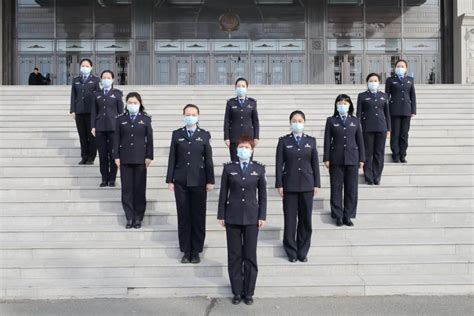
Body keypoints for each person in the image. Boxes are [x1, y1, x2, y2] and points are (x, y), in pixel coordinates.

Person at [217, 135, 266, 306]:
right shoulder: (229, 168)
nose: (243, 150)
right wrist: (221, 215)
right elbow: (223, 193)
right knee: (235, 256)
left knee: (250, 256)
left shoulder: (258, 169)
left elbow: (263, 196)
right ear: (236, 150)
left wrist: (262, 215)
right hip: (233, 216)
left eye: (247, 147)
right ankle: (237, 291)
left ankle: (249, 292)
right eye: (241, 147)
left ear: (252, 150)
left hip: (252, 218)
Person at [166, 104, 215, 264]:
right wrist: (170, 179)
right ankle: (186, 250)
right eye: (188, 114)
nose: (190, 117)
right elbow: (172, 157)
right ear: (183, 115)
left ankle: (196, 250)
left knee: (198, 216)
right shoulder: (177, 134)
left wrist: (210, 180)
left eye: (193, 114)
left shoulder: (204, 135)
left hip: (199, 180)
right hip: (180, 181)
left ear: (198, 116)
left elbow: (208, 160)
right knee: (184, 216)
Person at [275, 110, 320, 263]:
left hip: (307, 185)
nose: (297, 123)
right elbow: (279, 164)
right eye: (294, 120)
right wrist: (279, 184)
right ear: (290, 123)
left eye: (300, 120)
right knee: (290, 220)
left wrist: (317, 183)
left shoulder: (311, 141)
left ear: (304, 122)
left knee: (305, 220)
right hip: (290, 185)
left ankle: (303, 250)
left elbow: (315, 164)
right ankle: (291, 251)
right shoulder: (284, 141)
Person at [323, 94, 365, 227]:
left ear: (350, 105)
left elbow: (360, 141)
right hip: (336, 158)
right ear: (336, 105)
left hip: (353, 158)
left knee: (351, 189)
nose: (343, 105)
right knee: (336, 188)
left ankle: (348, 215)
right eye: (340, 103)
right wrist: (327, 157)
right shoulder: (331, 121)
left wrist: (362, 158)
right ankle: (338, 215)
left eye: (345, 103)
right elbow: (327, 141)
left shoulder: (355, 121)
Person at [114, 92, 154, 229]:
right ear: (126, 104)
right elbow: (116, 139)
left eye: (135, 103)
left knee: (139, 189)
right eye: (130, 102)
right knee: (127, 189)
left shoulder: (146, 119)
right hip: (125, 159)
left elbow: (149, 140)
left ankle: (138, 217)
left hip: (140, 159)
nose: (132, 105)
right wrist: (116, 156)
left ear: (140, 103)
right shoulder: (120, 119)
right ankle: (129, 217)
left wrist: (149, 156)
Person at [91, 70, 124, 187]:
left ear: (113, 79)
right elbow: (94, 112)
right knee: (103, 154)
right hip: (100, 128)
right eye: (104, 77)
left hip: (113, 128)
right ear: (101, 79)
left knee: (113, 154)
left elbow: (121, 113)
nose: (106, 79)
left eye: (108, 77)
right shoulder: (96, 94)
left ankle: (112, 179)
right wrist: (93, 126)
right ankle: (104, 178)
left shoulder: (118, 94)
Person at [356, 73, 391, 185]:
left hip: (381, 127)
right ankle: (368, 176)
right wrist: (358, 128)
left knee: (379, 153)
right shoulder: (362, 96)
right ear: (367, 82)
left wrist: (389, 129)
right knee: (368, 153)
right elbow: (358, 114)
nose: (373, 83)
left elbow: (387, 114)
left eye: (375, 81)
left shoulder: (384, 96)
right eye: (371, 81)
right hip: (367, 128)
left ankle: (377, 176)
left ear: (379, 82)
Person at [385, 59, 416, 163]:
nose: (400, 68)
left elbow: (413, 96)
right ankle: (395, 155)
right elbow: (386, 96)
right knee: (395, 134)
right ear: (395, 68)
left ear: (406, 68)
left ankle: (403, 155)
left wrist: (413, 110)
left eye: (402, 66)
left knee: (404, 134)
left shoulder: (410, 80)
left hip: (406, 110)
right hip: (394, 110)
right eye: (398, 66)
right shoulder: (390, 80)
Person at [70, 58, 100, 165]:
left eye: (87, 66)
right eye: (83, 66)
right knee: (82, 136)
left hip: (91, 112)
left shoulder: (96, 80)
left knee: (92, 136)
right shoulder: (76, 79)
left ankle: (91, 157)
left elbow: (98, 96)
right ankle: (84, 157)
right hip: (79, 112)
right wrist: (72, 110)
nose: (85, 68)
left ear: (91, 67)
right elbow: (73, 95)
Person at [223, 78, 260, 161]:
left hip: (248, 137)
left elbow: (255, 121)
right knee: (235, 162)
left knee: (248, 162)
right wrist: (226, 137)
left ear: (247, 88)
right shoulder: (230, 103)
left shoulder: (252, 103)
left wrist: (256, 137)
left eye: (243, 86)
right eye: (239, 86)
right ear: (235, 88)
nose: (241, 88)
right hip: (234, 137)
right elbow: (227, 121)